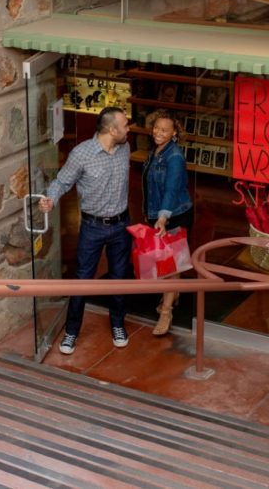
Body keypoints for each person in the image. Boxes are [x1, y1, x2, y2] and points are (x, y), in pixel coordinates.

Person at [39, 106, 132, 355]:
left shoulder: (125, 148)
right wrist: (51, 198)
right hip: (92, 227)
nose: (128, 129)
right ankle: (71, 331)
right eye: (125, 125)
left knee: (119, 279)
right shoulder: (82, 154)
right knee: (82, 280)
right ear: (112, 129)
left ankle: (117, 325)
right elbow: (62, 181)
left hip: (122, 225)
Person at [141, 109, 193, 336]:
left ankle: (167, 312)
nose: (158, 132)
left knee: (172, 266)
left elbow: (171, 190)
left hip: (173, 215)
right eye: (156, 127)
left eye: (164, 130)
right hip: (157, 215)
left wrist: (162, 217)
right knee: (166, 262)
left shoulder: (175, 157)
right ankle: (174, 293)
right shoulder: (155, 151)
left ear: (174, 133)